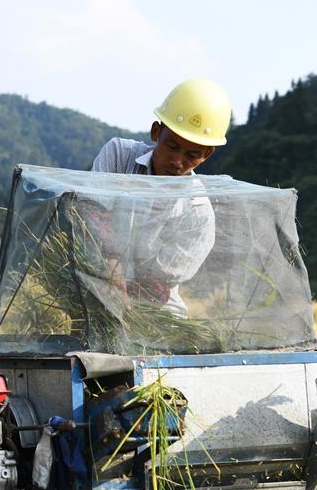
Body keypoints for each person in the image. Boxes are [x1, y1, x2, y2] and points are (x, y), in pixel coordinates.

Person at [88, 78, 231, 317]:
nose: (177, 162)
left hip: (155, 314)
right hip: (93, 293)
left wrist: (125, 303)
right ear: (156, 132)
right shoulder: (119, 156)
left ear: (207, 154)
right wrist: (111, 263)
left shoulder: (198, 212)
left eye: (192, 155)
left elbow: (160, 284)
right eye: (172, 146)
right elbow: (89, 210)